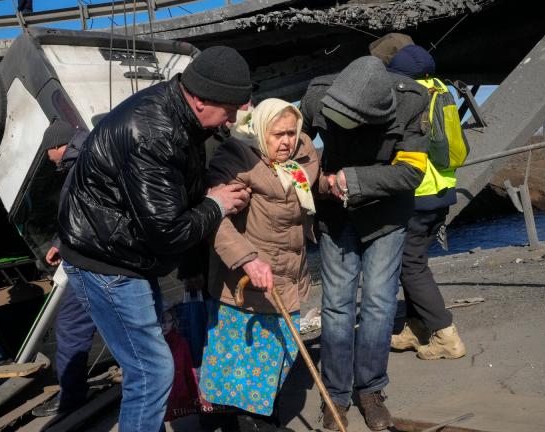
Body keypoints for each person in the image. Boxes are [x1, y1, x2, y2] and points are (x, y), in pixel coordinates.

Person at [57, 46, 252, 432]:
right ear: (199, 99)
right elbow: (167, 231)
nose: (233, 118)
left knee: (149, 361)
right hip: (107, 261)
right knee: (152, 370)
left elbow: (178, 196)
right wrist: (216, 205)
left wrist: (194, 261)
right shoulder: (153, 132)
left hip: (127, 251)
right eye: (229, 109)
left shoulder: (184, 119)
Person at [300, 56, 429, 431]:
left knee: (378, 302)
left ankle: (371, 390)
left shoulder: (412, 101)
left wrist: (351, 180)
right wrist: (319, 182)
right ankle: (336, 395)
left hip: (386, 216)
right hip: (335, 215)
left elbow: (411, 171)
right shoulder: (316, 96)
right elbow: (292, 151)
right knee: (337, 306)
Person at [200, 98, 319, 432]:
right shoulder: (236, 160)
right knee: (244, 374)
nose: (286, 141)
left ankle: (258, 419)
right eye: (277, 134)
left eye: (291, 133)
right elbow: (216, 220)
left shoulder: (303, 155)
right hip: (247, 287)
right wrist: (247, 260)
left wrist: (335, 185)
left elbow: (310, 184)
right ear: (261, 131)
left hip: (289, 279)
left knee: (279, 363)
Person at [385, 45, 467, 360]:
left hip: (417, 192)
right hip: (442, 189)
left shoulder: (409, 98)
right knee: (416, 262)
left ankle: (446, 335)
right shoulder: (440, 91)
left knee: (410, 265)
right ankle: (417, 327)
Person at [29, 119, 97, 417]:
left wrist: (68, 245)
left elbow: (90, 214)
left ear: (58, 146)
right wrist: (60, 241)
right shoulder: (95, 155)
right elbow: (80, 212)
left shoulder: (81, 166)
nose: (48, 158)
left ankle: (71, 398)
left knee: (70, 327)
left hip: (90, 262)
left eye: (48, 152)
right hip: (106, 258)